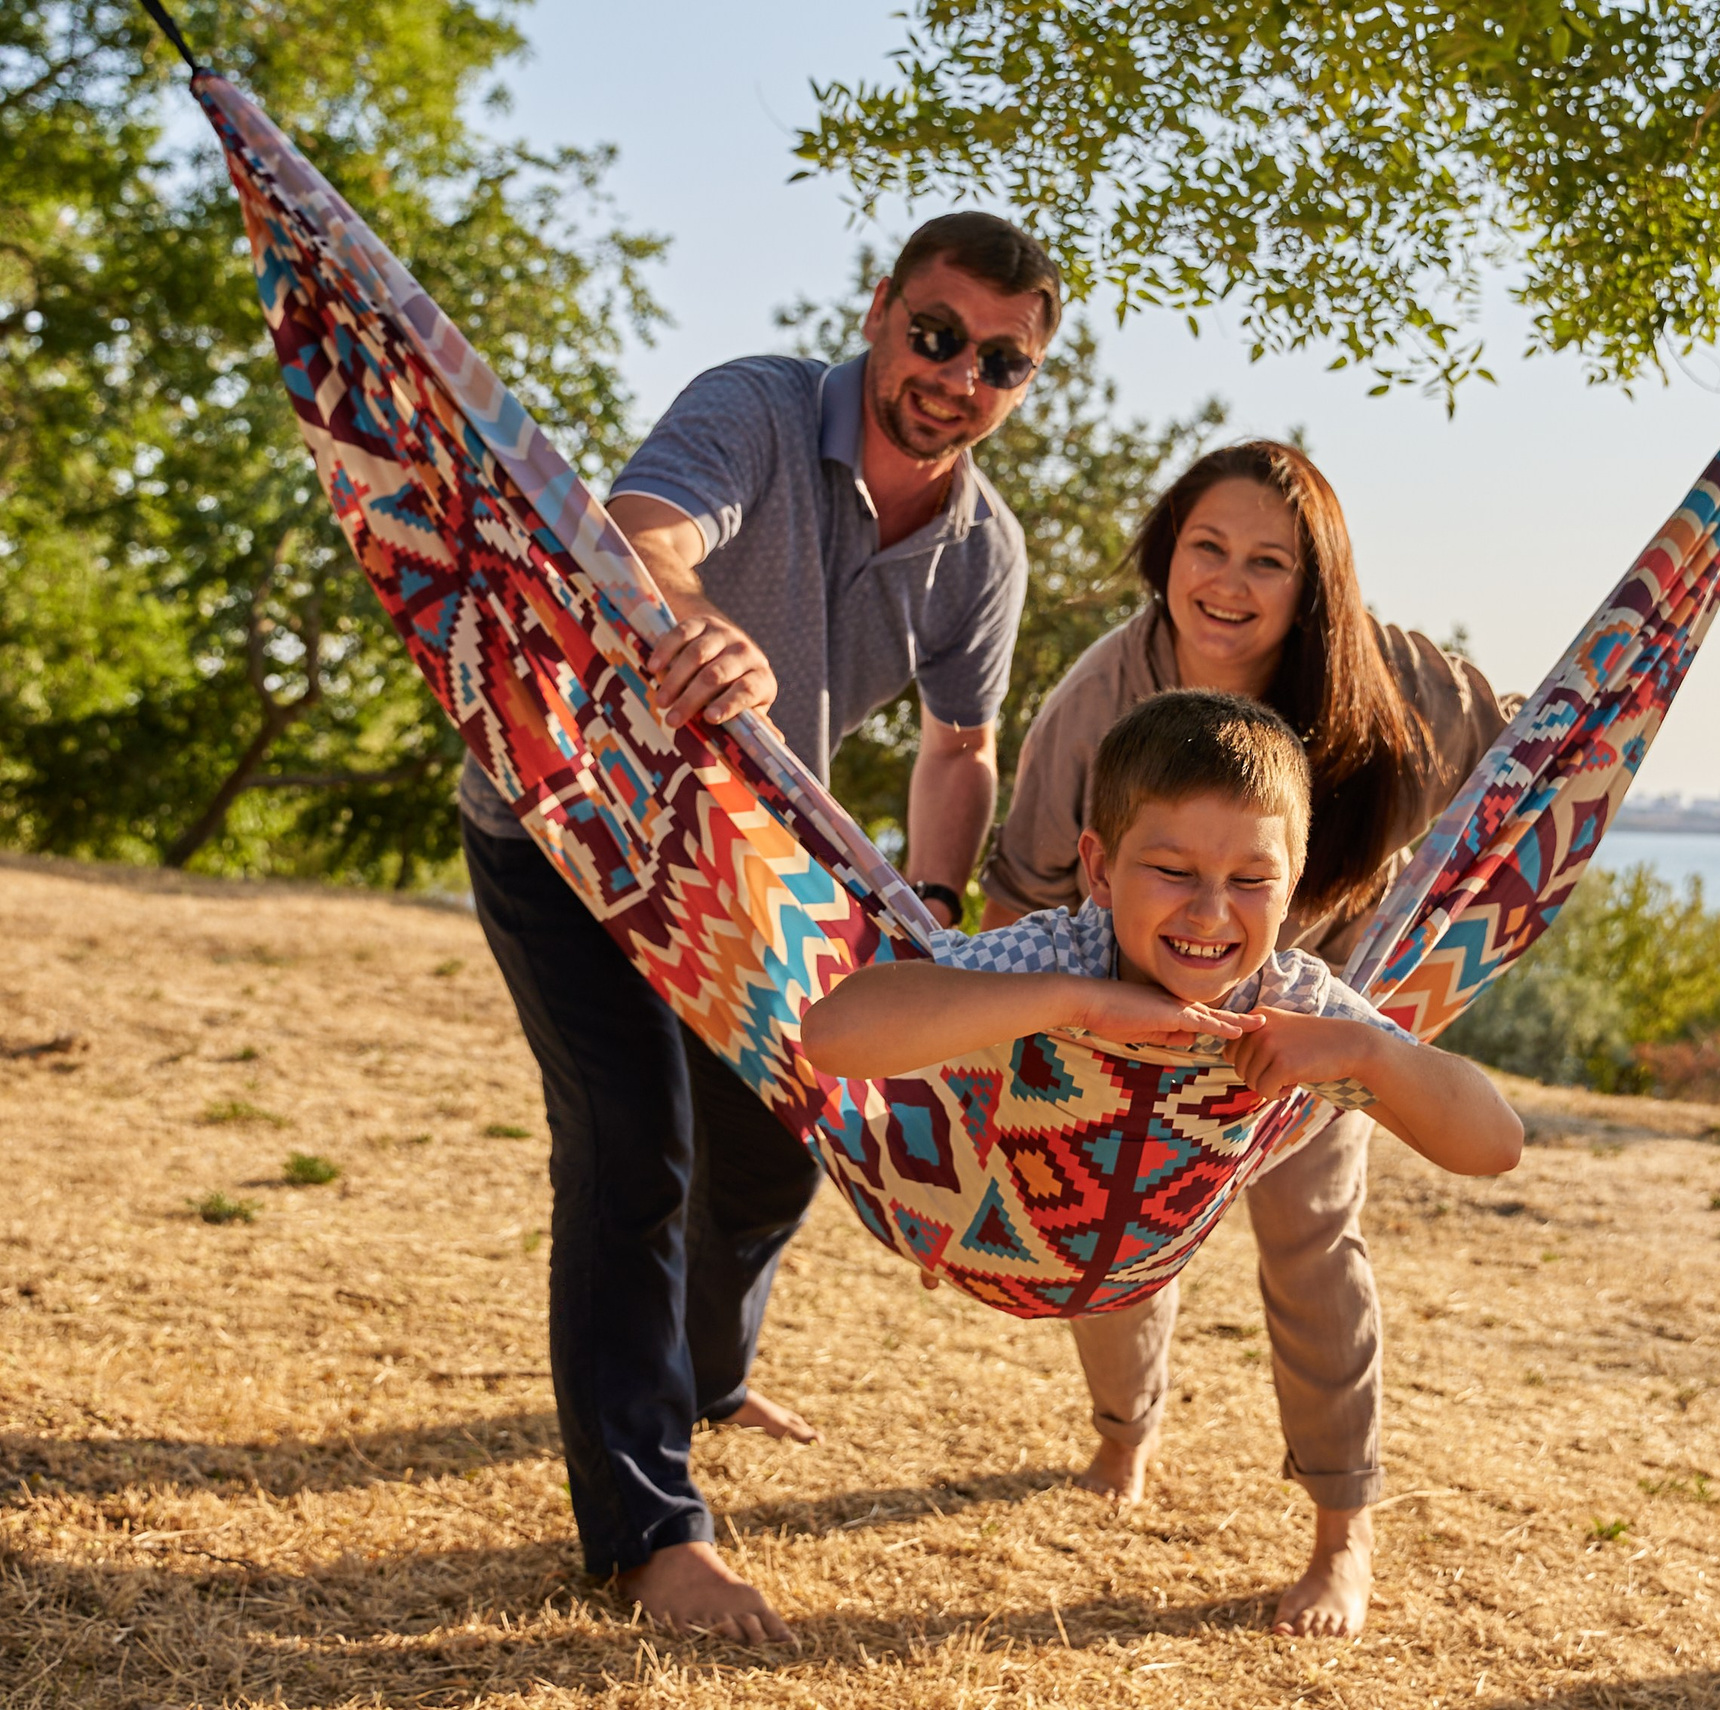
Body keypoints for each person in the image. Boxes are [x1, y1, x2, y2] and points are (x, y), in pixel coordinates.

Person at [458, 213, 1059, 1645]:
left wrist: (936, 923)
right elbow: (641, 536)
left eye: (1002, 361)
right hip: (575, 819)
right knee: (634, 1142)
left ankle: (707, 1376)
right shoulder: (758, 405)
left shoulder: (987, 550)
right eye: (936, 332)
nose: (958, 374)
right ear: (881, 310)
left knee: (781, 1145)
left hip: (743, 869)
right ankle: (647, 1534)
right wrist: (694, 618)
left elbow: (960, 747)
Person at [978, 442, 1510, 1636]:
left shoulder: (1387, 678)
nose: (1230, 581)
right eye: (1206, 547)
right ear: (1167, 553)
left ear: (1313, 586)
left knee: (1314, 1248)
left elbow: (1527, 750)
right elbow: (1019, 879)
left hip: (1306, 1022)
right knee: (1110, 1245)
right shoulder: (1098, 698)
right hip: (1131, 1022)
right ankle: (1125, 1434)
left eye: (1269, 561)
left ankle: (1341, 1536)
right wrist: (1033, 1042)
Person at [801, 687, 1521, 1167]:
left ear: (1292, 885)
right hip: (1006, 1196)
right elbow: (833, 1036)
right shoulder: (1061, 954)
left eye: (1250, 881)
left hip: (1150, 1232)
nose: (1210, 913)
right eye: (1173, 872)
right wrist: (1077, 1004)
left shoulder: (1289, 1000)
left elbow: (1495, 1146)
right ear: (1102, 870)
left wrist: (1366, 1052)